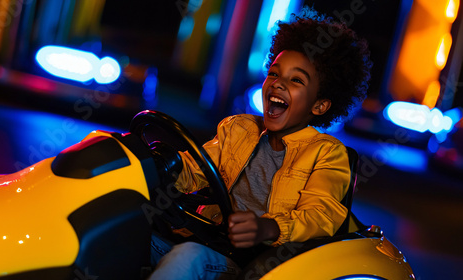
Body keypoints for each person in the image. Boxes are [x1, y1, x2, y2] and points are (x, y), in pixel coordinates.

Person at [149, 6, 372, 280]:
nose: (278, 85)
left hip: (255, 265)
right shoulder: (239, 128)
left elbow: (321, 216)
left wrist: (269, 228)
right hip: (209, 239)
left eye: (296, 80)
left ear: (320, 105)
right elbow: (196, 170)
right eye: (275, 74)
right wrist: (157, 164)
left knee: (186, 257)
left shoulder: (327, 154)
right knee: (127, 228)